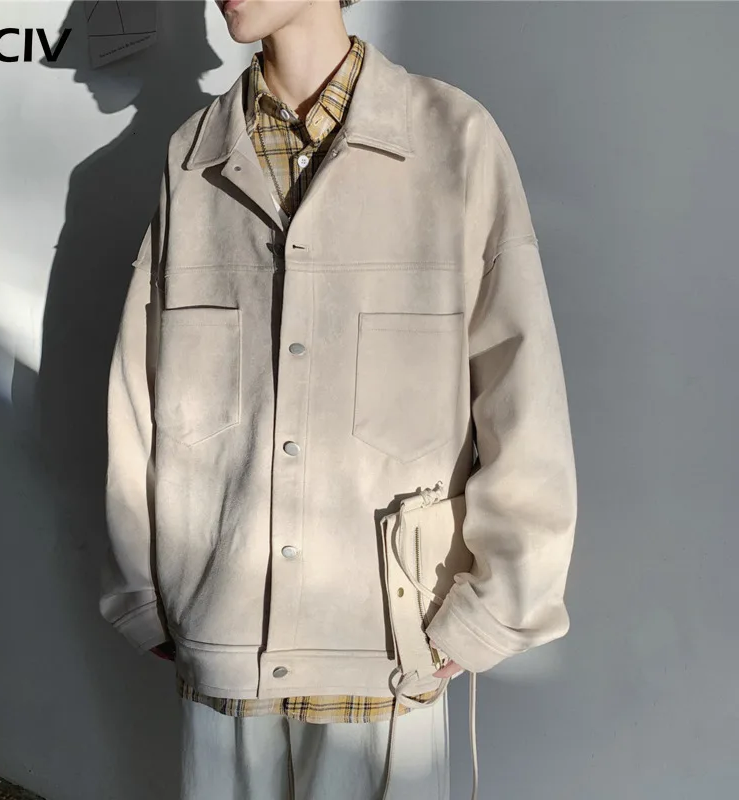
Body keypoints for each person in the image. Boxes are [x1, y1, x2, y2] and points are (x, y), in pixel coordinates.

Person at [101, 1, 578, 798]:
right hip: (226, 631)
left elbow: (519, 380)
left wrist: (499, 604)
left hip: (387, 637)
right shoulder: (194, 154)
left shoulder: (453, 137)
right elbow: (138, 388)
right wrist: (144, 590)